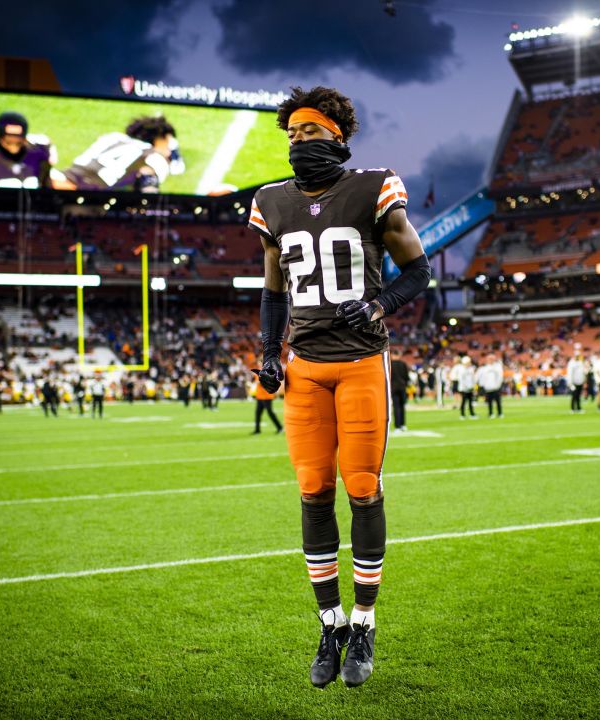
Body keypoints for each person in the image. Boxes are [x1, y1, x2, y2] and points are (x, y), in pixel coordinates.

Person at [248, 86, 430, 689]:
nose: (300, 142)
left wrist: (378, 305)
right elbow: (274, 291)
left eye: (311, 132)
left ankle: (365, 621)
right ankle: (329, 627)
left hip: (358, 362)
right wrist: (269, 355)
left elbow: (419, 272)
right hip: (304, 367)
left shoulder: (373, 187)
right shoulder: (271, 202)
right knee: (311, 488)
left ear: (339, 135)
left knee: (363, 487)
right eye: (292, 134)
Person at [56, 116, 185, 193]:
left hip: (59, 178)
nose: (168, 151)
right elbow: (149, 189)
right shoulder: (154, 158)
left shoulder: (113, 137)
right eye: (167, 144)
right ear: (159, 140)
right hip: (84, 193)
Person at [476, 353, 504, 419]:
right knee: (489, 402)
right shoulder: (484, 368)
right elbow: (481, 377)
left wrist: (498, 384)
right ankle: (490, 413)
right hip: (488, 388)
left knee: (498, 401)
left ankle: (500, 413)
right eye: (489, 359)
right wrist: (483, 385)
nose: (491, 360)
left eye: (492, 359)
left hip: (496, 387)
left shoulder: (498, 367)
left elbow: (500, 376)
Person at [390, 349, 410, 431]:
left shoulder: (389, 364)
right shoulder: (403, 364)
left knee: (396, 407)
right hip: (402, 387)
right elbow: (407, 377)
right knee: (402, 406)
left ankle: (397, 426)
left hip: (393, 388)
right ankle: (403, 425)